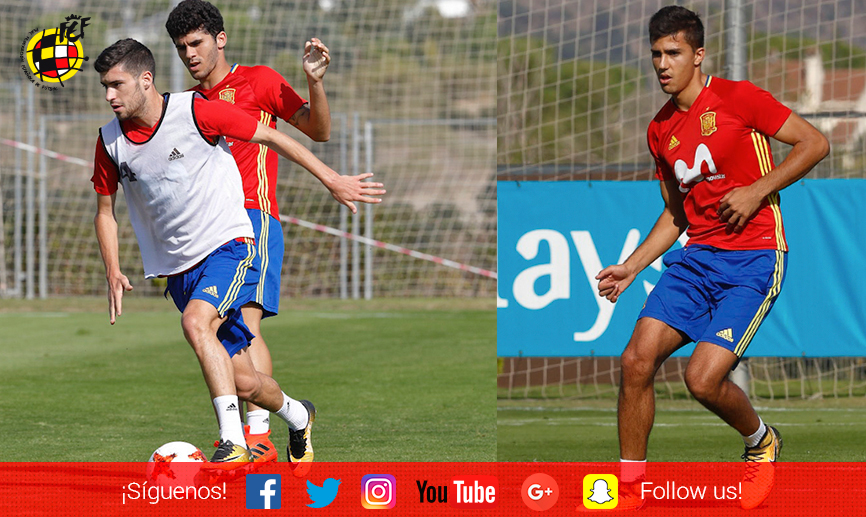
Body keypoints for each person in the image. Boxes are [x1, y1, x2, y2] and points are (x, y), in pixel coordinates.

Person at [91, 39, 384, 470]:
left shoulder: (196, 110)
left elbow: (270, 134)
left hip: (230, 244)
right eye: (105, 87)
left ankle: (235, 442)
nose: (109, 96)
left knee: (195, 322)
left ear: (146, 80)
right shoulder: (109, 141)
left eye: (116, 85)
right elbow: (105, 210)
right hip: (180, 269)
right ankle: (299, 415)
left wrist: (332, 179)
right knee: (244, 382)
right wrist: (113, 269)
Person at [594, 5, 829, 510]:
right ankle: (629, 492)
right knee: (635, 360)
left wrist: (755, 191)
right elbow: (676, 214)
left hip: (755, 259)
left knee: (701, 379)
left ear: (698, 55)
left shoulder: (740, 98)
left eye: (673, 53)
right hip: (697, 258)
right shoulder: (660, 129)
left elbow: (815, 142)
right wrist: (631, 267)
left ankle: (760, 442)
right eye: (656, 54)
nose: (662, 63)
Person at [164, 0, 331, 467]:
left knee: (244, 326)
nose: (190, 54)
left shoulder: (258, 80)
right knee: (228, 339)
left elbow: (317, 131)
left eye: (196, 42)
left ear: (220, 39)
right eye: (181, 48)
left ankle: (255, 438)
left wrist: (314, 84)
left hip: (253, 220)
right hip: (205, 232)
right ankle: (291, 417)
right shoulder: (187, 105)